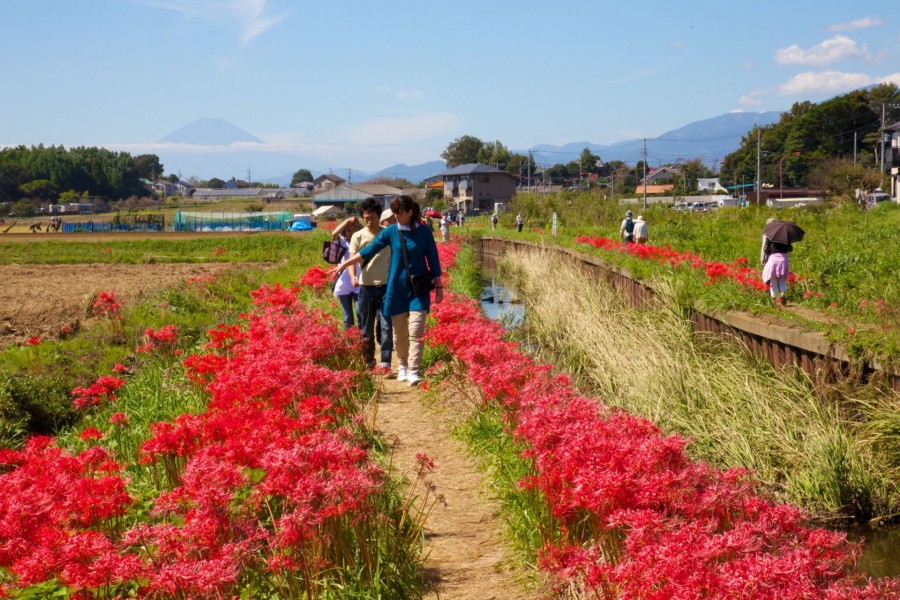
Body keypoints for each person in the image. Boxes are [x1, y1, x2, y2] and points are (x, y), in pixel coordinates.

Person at [332, 196, 443, 387]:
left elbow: (432, 258)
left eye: (400, 213)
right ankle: (402, 366)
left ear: (410, 212)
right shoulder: (391, 232)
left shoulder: (424, 232)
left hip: (418, 289)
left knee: (416, 331)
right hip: (396, 289)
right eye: (394, 213)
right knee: (399, 333)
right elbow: (369, 251)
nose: (396, 217)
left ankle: (414, 370)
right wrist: (344, 266)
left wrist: (439, 286)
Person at [350, 198, 393, 372]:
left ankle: (385, 363)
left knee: (386, 326)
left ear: (379, 216)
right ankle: (369, 361)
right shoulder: (358, 236)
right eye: (366, 218)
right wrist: (353, 276)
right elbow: (352, 258)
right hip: (366, 287)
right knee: (365, 328)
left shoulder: (388, 233)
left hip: (386, 287)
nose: (369, 221)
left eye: (373, 217)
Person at [331, 217, 361, 329]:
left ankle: (362, 339)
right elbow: (334, 234)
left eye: (354, 229)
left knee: (360, 313)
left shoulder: (363, 240)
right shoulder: (343, 242)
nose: (351, 232)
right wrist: (347, 221)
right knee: (347, 317)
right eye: (348, 230)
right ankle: (350, 342)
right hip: (344, 282)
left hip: (360, 281)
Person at [760, 218, 792, 304]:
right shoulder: (786, 237)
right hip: (784, 259)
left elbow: (765, 248)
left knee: (773, 279)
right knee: (782, 279)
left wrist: (764, 255)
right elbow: (790, 249)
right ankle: (782, 294)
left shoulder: (770, 236)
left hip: (773, 259)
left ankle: (773, 298)